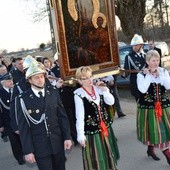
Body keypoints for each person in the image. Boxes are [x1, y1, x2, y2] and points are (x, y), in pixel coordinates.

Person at [16, 65, 72, 170]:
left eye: (42, 76)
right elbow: (23, 128)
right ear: (29, 80)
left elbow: (62, 117)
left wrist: (67, 137)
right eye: (36, 77)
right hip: (39, 146)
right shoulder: (23, 99)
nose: (40, 80)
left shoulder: (53, 92)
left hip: (57, 142)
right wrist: (28, 151)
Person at [74, 66, 119, 170]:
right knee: (97, 158)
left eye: (90, 76)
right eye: (85, 78)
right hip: (92, 132)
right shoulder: (78, 94)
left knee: (109, 154)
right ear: (80, 81)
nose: (90, 80)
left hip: (105, 128)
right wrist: (80, 135)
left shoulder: (99, 89)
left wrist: (105, 91)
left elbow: (111, 102)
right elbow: (79, 116)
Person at [137, 50, 170, 165]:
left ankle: (150, 149)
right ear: (147, 61)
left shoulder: (163, 71)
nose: (156, 63)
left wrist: (159, 75)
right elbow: (142, 89)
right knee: (155, 130)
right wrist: (148, 76)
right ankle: (168, 155)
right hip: (148, 108)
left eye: (157, 60)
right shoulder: (141, 74)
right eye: (153, 60)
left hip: (163, 106)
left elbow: (168, 85)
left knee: (162, 130)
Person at [0, 73, 25, 165]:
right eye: (9, 81)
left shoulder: (16, 90)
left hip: (19, 119)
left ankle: (26, 152)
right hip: (8, 122)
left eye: (11, 80)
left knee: (23, 138)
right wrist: (1, 125)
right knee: (14, 141)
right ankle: (19, 157)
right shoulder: (1, 93)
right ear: (3, 83)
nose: (11, 82)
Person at [122, 34, 147, 102]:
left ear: (141, 45)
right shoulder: (129, 57)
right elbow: (126, 71)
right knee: (140, 105)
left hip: (146, 83)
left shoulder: (147, 55)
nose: (134, 47)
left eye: (136, 45)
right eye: (133, 45)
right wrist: (123, 73)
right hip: (136, 85)